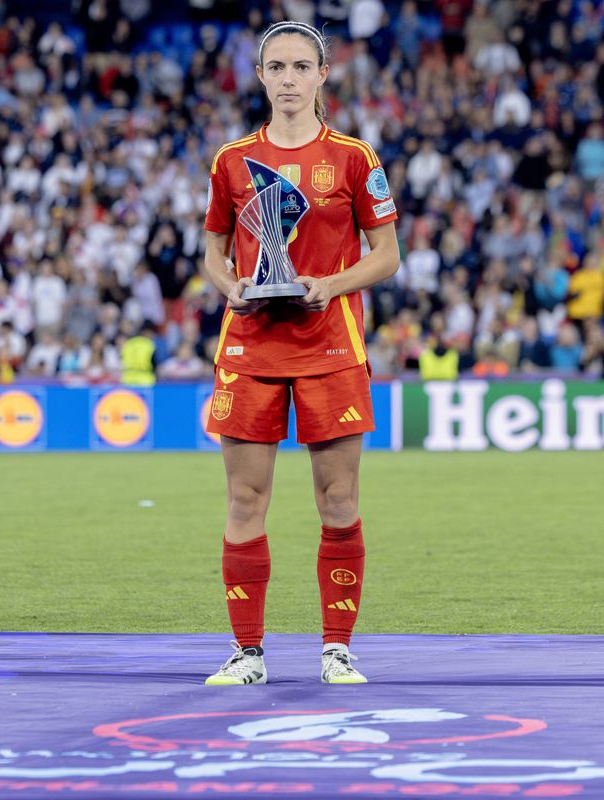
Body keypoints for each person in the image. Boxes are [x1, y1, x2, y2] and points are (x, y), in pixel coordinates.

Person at [199, 20, 399, 686]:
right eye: (277, 67)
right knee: (243, 499)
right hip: (252, 346)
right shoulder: (231, 160)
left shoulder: (354, 157)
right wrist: (232, 289)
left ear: (322, 75)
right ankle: (247, 653)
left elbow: (387, 256)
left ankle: (336, 649)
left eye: (301, 67)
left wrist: (329, 286)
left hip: (330, 346)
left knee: (338, 500)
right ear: (260, 77)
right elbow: (214, 255)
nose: (289, 79)